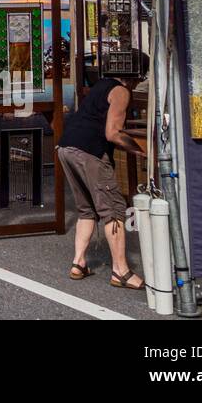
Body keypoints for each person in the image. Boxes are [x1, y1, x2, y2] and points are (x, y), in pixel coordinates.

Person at [56, 62, 147, 289]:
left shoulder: (100, 85)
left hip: (66, 147)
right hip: (89, 151)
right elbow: (112, 133)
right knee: (113, 208)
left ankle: (78, 263)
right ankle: (120, 271)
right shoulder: (121, 91)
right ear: (135, 76)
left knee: (86, 208)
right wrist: (141, 150)